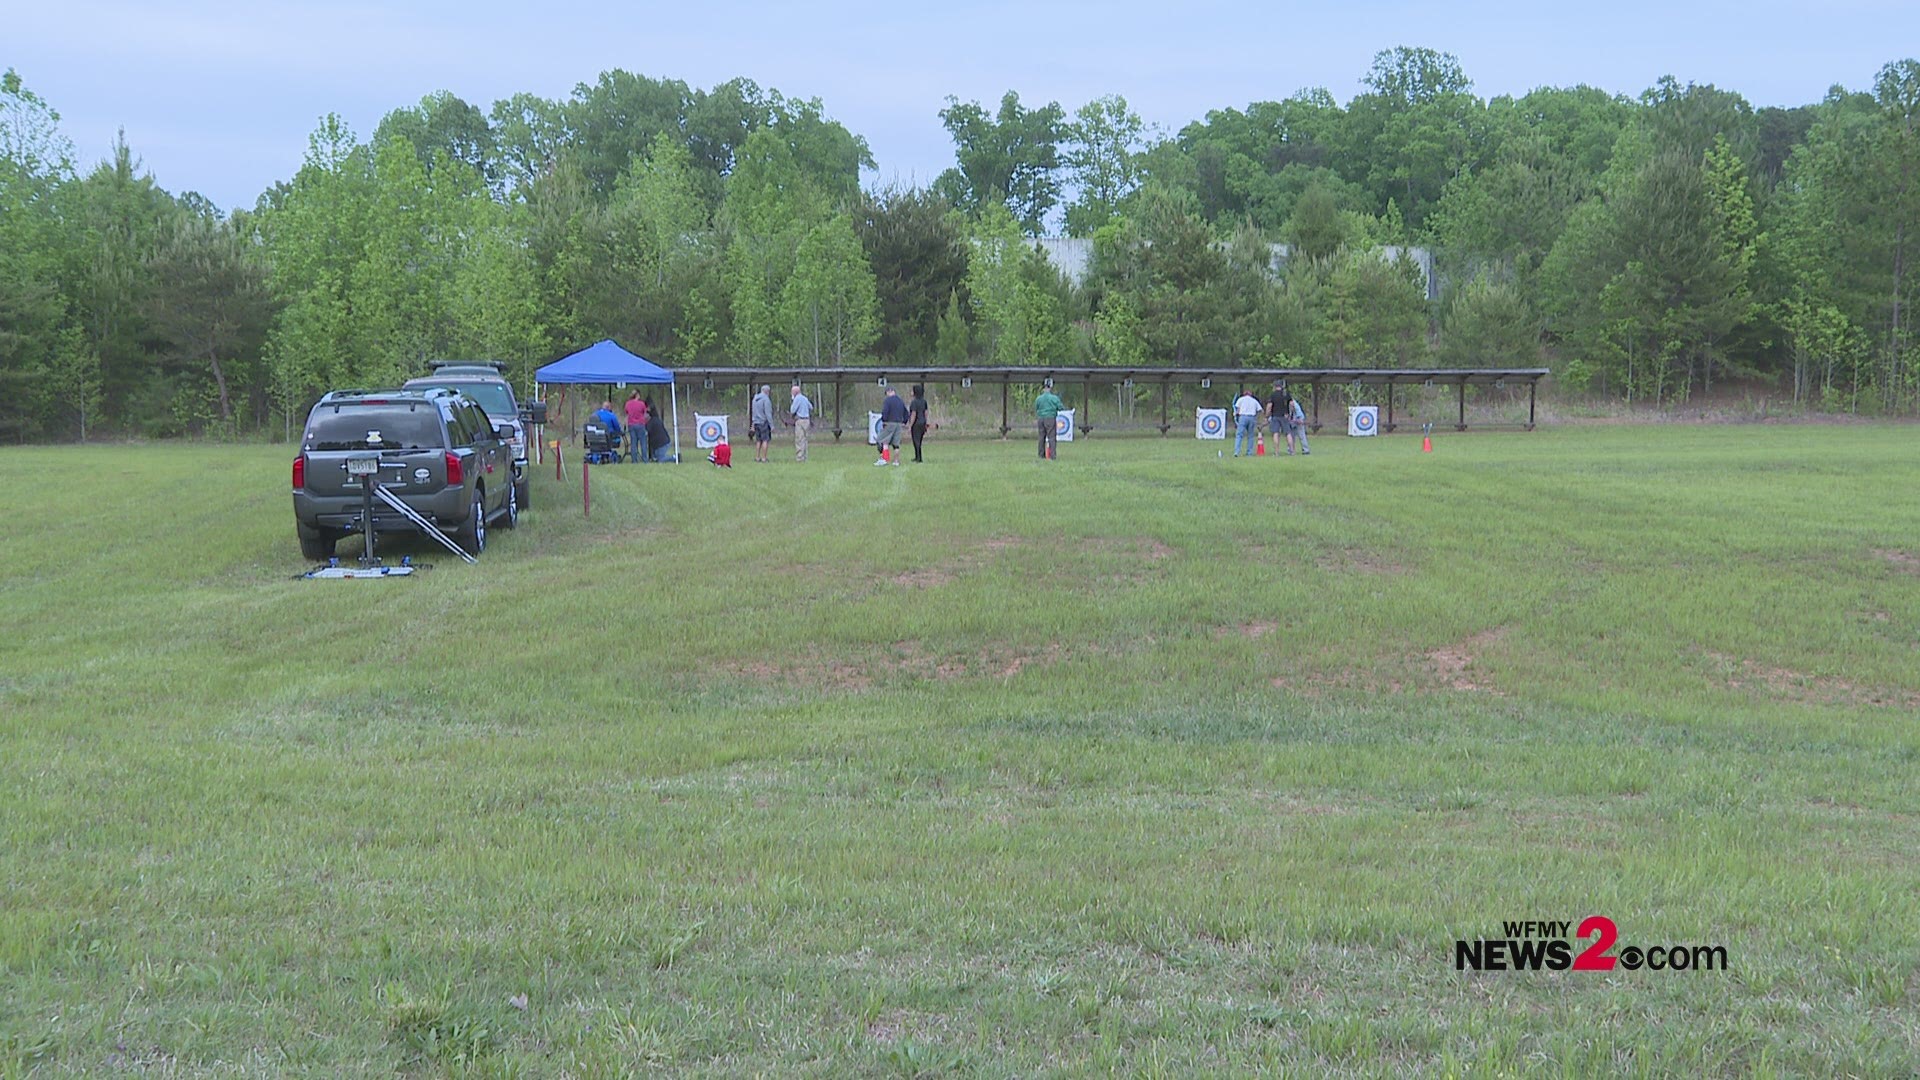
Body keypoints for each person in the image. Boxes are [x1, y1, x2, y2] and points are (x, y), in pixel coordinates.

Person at [874, 386, 908, 466]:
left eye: (886, 393)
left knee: (882, 440)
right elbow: (906, 413)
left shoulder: (887, 401)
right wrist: (904, 421)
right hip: (899, 423)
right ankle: (896, 461)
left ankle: (884, 459)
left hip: (889, 423)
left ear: (889, 391)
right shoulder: (900, 401)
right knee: (896, 444)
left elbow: (885, 411)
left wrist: (884, 420)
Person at [1034, 378, 1064, 460]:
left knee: (1041, 437)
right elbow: (1061, 407)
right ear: (1051, 387)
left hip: (1041, 419)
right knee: (1051, 437)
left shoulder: (1038, 398)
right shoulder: (1054, 398)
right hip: (1050, 418)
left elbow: (1036, 408)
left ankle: (1041, 455)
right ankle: (1052, 455)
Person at [1232, 388, 1262, 456]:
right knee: (1250, 436)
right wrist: (1256, 417)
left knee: (1239, 435)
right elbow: (1260, 410)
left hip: (1242, 417)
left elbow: (1237, 409)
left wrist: (1235, 415)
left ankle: (1237, 452)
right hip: (1252, 417)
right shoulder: (1254, 401)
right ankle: (1249, 452)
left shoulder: (1241, 399)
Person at [749, 384, 775, 463]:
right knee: (765, 440)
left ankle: (757, 457)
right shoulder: (766, 399)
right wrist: (771, 425)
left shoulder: (755, 399)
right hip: (764, 422)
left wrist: (753, 423)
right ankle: (764, 458)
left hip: (756, 422)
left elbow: (753, 412)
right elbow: (768, 413)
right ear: (767, 391)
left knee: (758, 440)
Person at [788, 385, 813, 462]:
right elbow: (811, 407)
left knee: (799, 439)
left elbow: (792, 410)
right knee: (805, 439)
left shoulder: (797, 399)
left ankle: (799, 458)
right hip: (807, 420)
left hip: (800, 421)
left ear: (795, 392)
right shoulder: (805, 398)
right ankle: (805, 457)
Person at [622, 391, 648, 463]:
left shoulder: (628, 403)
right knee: (643, 442)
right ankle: (645, 459)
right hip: (640, 424)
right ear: (637, 395)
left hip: (631, 424)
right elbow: (644, 413)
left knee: (633, 442)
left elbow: (626, 412)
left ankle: (634, 460)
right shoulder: (642, 403)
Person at [907, 384, 930, 463]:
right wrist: (926, 422)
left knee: (916, 441)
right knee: (919, 440)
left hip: (916, 424)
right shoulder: (924, 401)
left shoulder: (914, 402)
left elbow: (913, 414)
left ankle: (918, 458)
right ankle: (917, 456)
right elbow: (926, 412)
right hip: (922, 422)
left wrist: (910, 425)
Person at [1267, 381, 1290, 453]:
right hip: (1284, 416)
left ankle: (1277, 452)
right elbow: (1292, 404)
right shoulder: (1286, 394)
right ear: (1281, 386)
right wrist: (1289, 413)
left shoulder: (1272, 395)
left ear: (1275, 386)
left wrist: (1267, 415)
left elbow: (1269, 406)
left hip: (1275, 416)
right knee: (1288, 433)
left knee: (1275, 433)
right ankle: (1292, 451)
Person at [1287, 391, 1312, 456]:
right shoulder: (1286, 404)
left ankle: (1306, 450)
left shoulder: (1295, 404)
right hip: (1292, 422)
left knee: (1301, 435)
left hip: (1298, 420)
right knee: (1291, 436)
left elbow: (1299, 413)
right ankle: (1291, 450)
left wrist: (1300, 420)